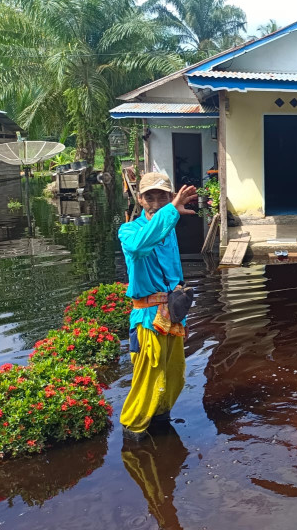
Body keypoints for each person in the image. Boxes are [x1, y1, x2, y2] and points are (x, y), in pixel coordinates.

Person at [118, 172, 198, 440]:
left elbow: (173, 272)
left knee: (174, 374)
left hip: (172, 317)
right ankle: (133, 428)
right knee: (148, 377)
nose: (156, 201)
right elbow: (141, 246)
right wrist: (171, 211)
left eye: (162, 196)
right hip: (147, 318)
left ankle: (161, 419)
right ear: (140, 200)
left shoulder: (168, 231)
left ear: (169, 196)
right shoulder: (129, 231)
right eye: (149, 196)